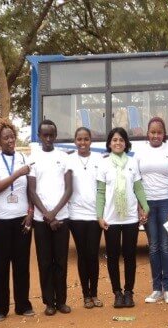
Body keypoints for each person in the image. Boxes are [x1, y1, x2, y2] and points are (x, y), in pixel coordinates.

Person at [0, 118, 35, 320]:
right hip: (0, 220)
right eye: (5, 138)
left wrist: (31, 212)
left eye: (12, 136)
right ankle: (0, 308)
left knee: (22, 263)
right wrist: (17, 174)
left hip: (22, 218)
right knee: (2, 264)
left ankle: (23, 305)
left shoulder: (23, 157)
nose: (10, 140)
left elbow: (30, 188)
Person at [97, 127, 149, 308]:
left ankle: (128, 293)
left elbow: (138, 188)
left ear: (126, 143)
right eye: (114, 140)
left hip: (130, 218)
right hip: (111, 218)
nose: (118, 143)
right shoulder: (104, 164)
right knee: (112, 257)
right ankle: (117, 293)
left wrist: (145, 207)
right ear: (109, 143)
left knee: (129, 256)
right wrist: (99, 216)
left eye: (121, 140)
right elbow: (100, 192)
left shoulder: (133, 163)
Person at [28, 119, 73, 316]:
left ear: (55, 136)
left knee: (61, 262)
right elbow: (31, 190)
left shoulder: (64, 157)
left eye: (51, 135)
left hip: (62, 218)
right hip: (41, 220)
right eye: (44, 135)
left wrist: (54, 214)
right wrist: (47, 215)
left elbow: (69, 189)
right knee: (45, 262)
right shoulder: (33, 158)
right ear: (39, 136)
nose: (48, 138)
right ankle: (49, 302)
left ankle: (61, 301)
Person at [137, 117, 168, 304]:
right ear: (147, 133)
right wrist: (140, 206)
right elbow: (136, 182)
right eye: (152, 132)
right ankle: (156, 289)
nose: (156, 135)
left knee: (166, 246)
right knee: (153, 246)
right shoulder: (140, 152)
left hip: (166, 201)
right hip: (148, 204)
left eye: (159, 132)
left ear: (164, 134)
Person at [67, 127, 103, 309]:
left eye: (86, 139)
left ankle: (94, 293)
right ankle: (86, 295)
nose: (82, 142)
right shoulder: (68, 160)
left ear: (91, 141)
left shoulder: (99, 159)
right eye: (79, 139)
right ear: (75, 141)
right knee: (82, 255)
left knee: (93, 254)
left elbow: (102, 187)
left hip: (95, 215)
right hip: (76, 215)